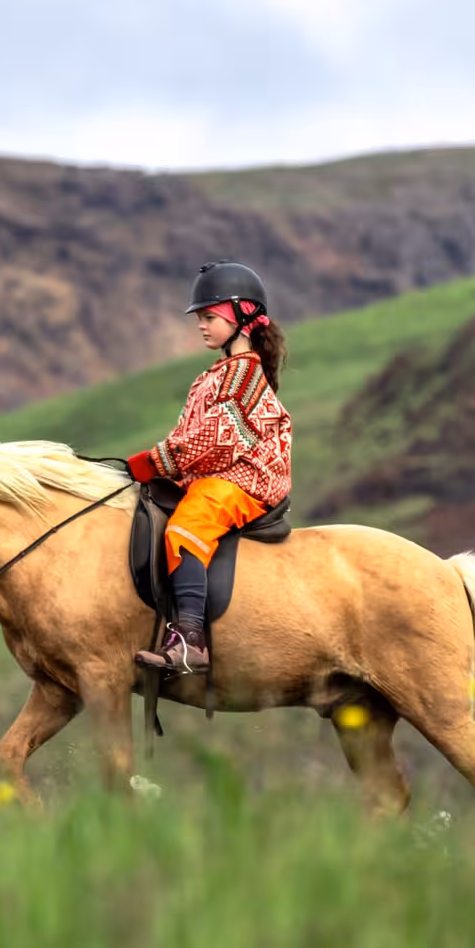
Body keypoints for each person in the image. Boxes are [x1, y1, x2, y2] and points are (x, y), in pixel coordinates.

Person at [127, 261, 292, 673]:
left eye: (209, 316)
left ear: (243, 316)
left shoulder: (244, 376)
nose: (201, 325)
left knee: (186, 528)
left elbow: (219, 439)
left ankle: (190, 643)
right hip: (213, 477)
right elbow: (194, 435)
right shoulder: (217, 374)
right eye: (200, 318)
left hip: (243, 482)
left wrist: (155, 461)